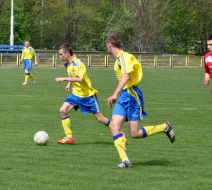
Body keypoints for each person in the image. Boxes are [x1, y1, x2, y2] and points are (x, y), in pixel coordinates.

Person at [105, 34, 175, 169]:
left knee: (134, 134)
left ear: (109, 45)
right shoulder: (119, 59)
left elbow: (126, 75)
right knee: (114, 127)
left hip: (132, 95)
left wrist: (114, 94)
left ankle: (165, 127)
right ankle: (125, 160)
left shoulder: (125, 57)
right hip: (124, 96)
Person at [54, 44, 111, 145]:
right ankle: (69, 137)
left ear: (67, 53)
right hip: (76, 95)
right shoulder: (68, 64)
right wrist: (69, 84)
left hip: (87, 96)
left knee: (100, 119)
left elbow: (79, 78)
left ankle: (118, 132)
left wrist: (63, 79)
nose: (60, 57)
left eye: (61, 54)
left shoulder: (78, 63)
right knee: (63, 110)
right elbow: (73, 75)